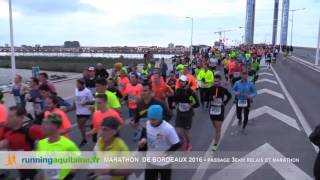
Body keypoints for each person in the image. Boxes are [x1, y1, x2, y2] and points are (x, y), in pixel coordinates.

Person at [0, 106, 44, 180]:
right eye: (8, 116)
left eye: (11, 116)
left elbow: (54, 140)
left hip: (36, 171)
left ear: (20, 117)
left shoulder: (31, 130)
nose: (7, 119)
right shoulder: (6, 130)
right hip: (22, 170)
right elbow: (4, 143)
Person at [138, 105, 181, 180]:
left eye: (154, 120)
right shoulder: (147, 124)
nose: (151, 122)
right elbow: (144, 134)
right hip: (150, 161)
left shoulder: (168, 128)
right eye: (150, 119)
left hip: (164, 163)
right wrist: (142, 142)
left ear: (160, 117)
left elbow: (177, 144)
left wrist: (165, 154)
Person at [36, 113, 79, 180]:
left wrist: (67, 177)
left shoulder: (69, 145)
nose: (42, 126)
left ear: (56, 126)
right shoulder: (41, 143)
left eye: (46, 123)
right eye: (42, 123)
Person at [173, 75, 199, 151]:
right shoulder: (178, 90)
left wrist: (190, 105)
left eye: (183, 81)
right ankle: (183, 142)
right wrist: (174, 103)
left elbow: (197, 104)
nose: (181, 83)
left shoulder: (190, 92)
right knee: (178, 130)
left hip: (188, 113)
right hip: (180, 112)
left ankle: (188, 144)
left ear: (186, 82)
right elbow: (175, 99)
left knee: (186, 131)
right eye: (180, 81)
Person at [206, 74, 232, 151]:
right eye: (215, 81)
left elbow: (229, 96)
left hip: (220, 110)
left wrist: (225, 103)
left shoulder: (222, 89)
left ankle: (215, 143)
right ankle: (218, 132)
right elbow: (205, 98)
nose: (216, 83)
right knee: (214, 125)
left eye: (217, 81)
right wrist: (211, 97)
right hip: (212, 110)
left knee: (218, 129)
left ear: (220, 81)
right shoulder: (210, 89)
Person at [74, 79, 94, 146]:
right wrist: (73, 106)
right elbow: (76, 99)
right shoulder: (76, 90)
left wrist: (86, 102)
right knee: (80, 126)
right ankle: (91, 125)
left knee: (81, 125)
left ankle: (84, 139)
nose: (77, 85)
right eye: (76, 84)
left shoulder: (87, 91)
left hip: (86, 111)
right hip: (78, 111)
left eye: (78, 84)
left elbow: (92, 101)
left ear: (82, 84)